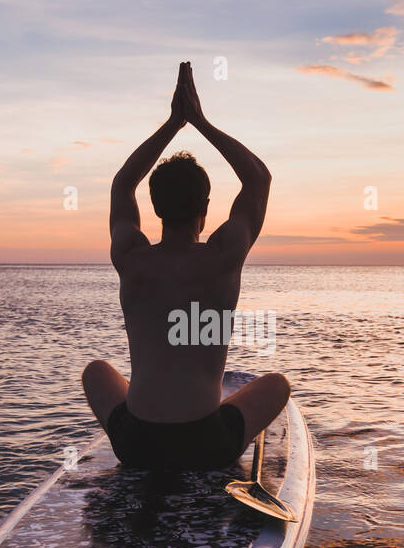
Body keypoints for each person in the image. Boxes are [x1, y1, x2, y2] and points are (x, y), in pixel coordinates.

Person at [82, 62, 290, 470]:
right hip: (206, 443)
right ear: (206, 209)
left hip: (136, 443)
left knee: (96, 372)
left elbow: (122, 183)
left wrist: (172, 124)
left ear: (155, 208)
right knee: (277, 385)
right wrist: (200, 121)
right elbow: (258, 179)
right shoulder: (224, 256)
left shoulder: (130, 256)